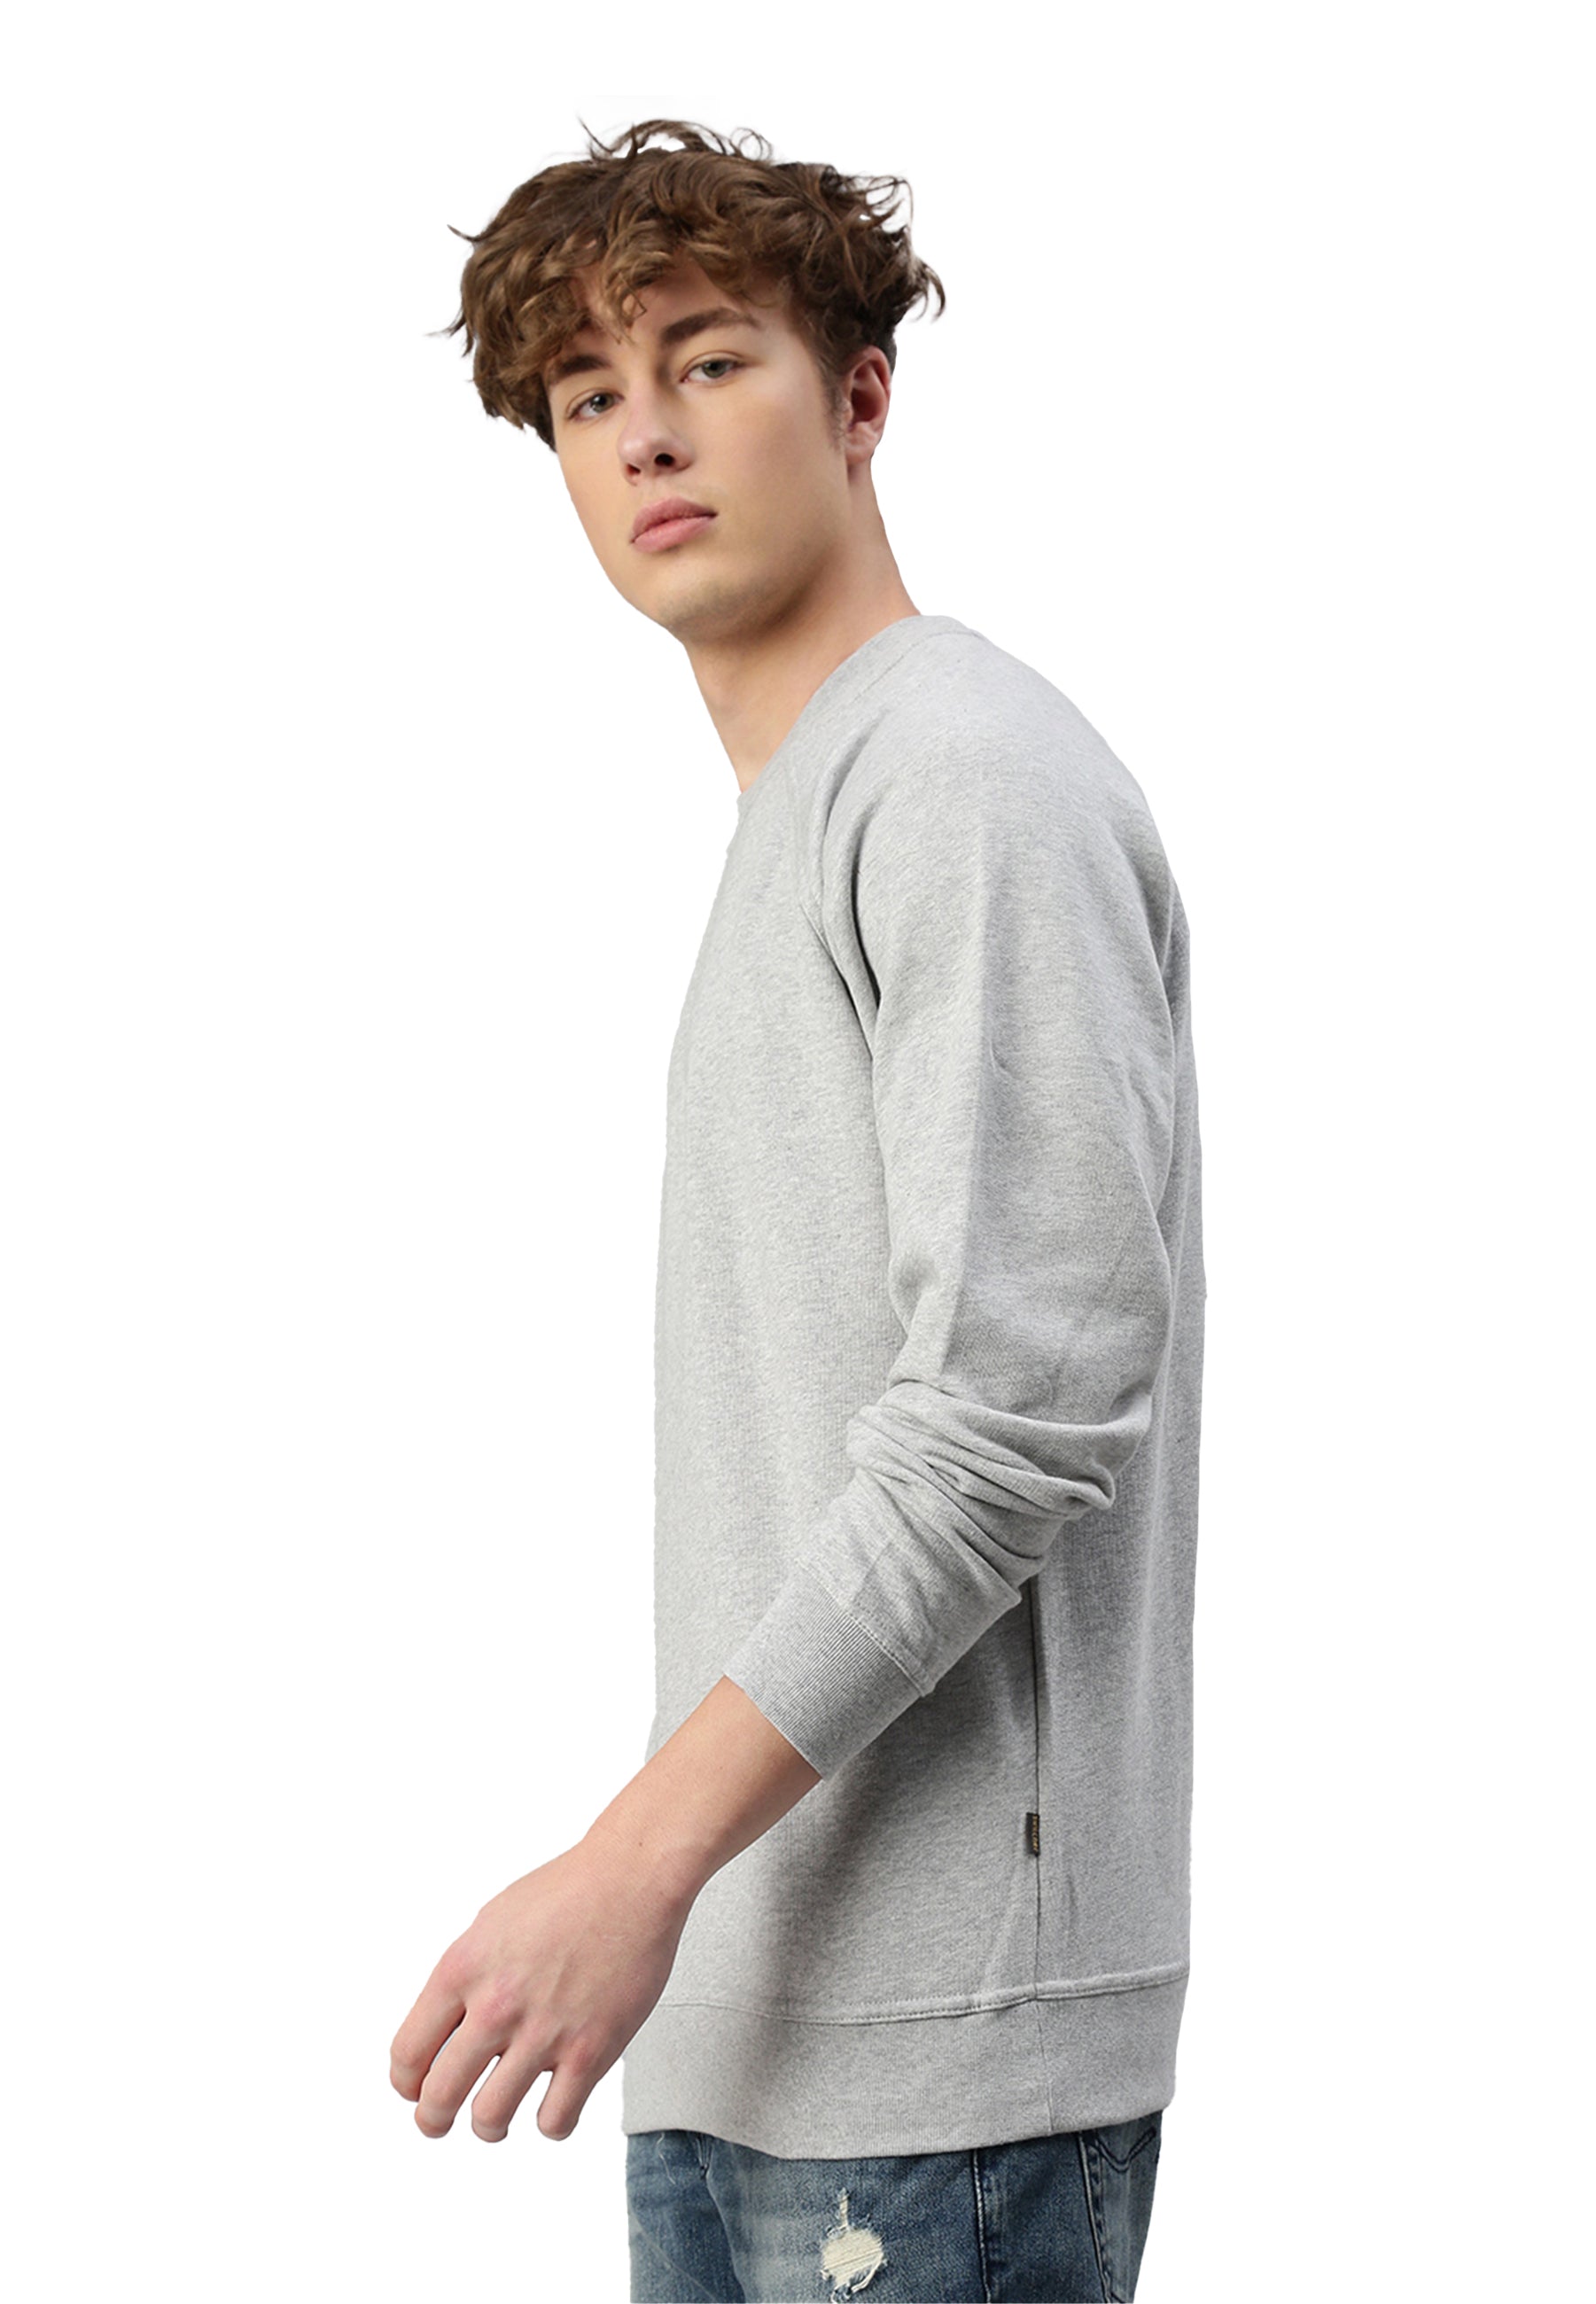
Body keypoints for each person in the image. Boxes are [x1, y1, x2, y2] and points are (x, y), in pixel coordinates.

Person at [390, 116, 1205, 2304]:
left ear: (860, 399)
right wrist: (667, 1910)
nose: (644, 433)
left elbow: (1018, 1409)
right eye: (587, 396)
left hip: (935, 2078)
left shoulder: (958, 774)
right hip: (748, 2033)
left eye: (707, 360)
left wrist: (626, 1865)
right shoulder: (810, 813)